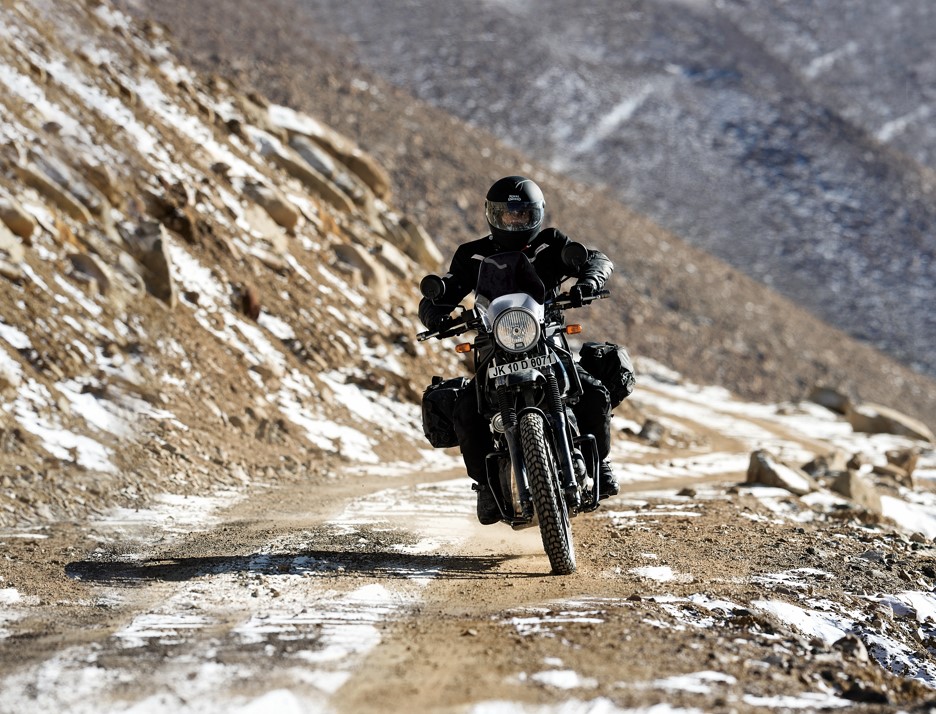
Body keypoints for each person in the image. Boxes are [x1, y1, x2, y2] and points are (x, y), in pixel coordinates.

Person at [419, 176, 619, 524]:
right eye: (508, 215)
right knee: (466, 408)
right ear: (492, 215)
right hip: (493, 346)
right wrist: (436, 312)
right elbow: (445, 289)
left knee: (593, 392)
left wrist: (588, 280)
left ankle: (600, 465)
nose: (514, 221)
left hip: (545, 338)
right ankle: (485, 486)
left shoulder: (550, 243)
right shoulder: (472, 254)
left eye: (522, 214)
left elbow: (595, 259)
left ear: (535, 214)